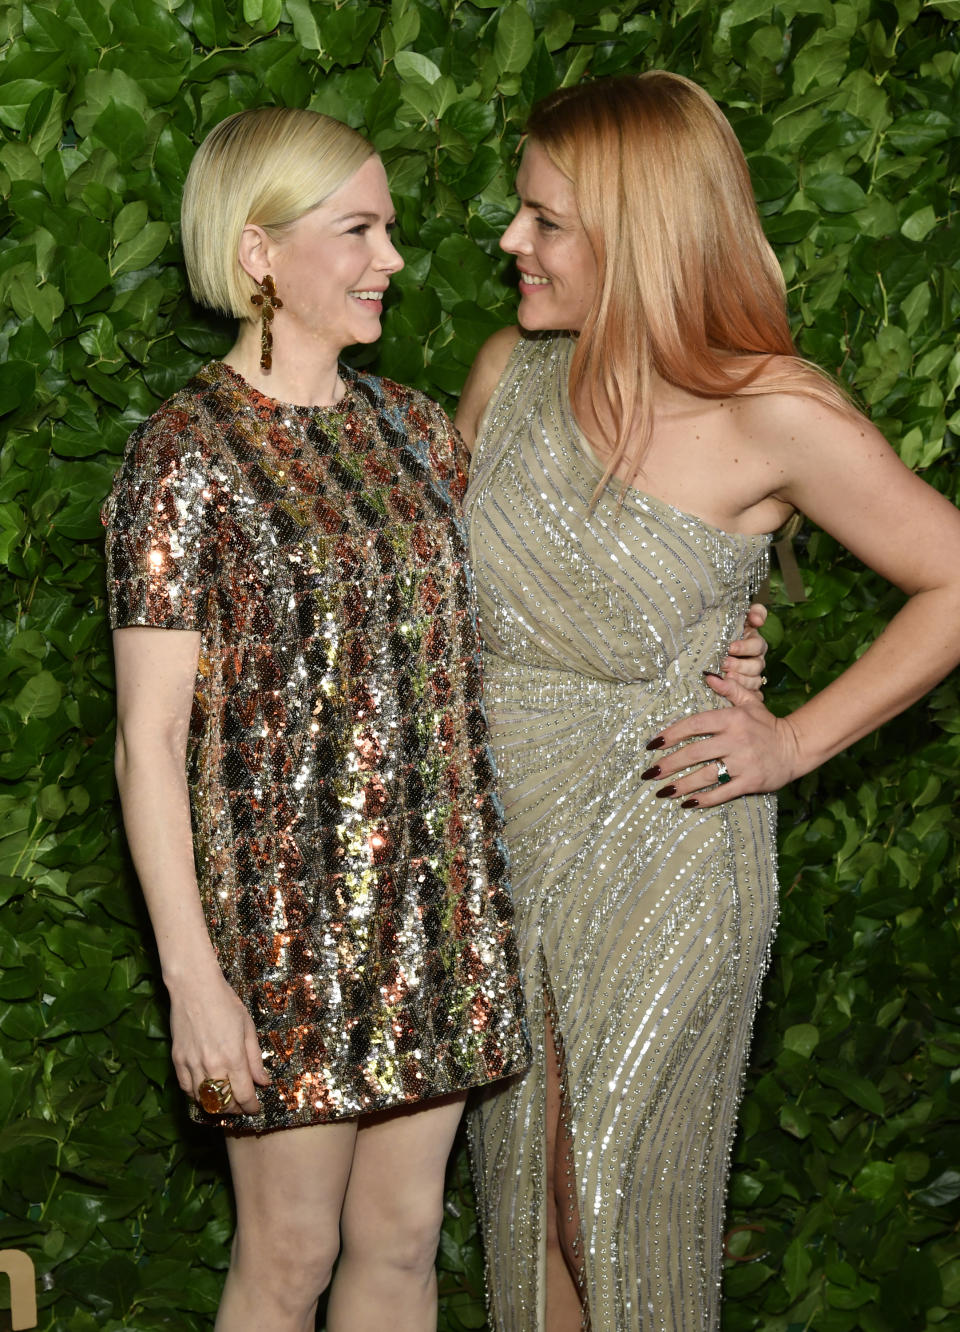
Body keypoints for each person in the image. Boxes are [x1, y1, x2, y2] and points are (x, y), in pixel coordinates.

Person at [455, 71, 960, 1332]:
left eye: (545, 221)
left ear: (644, 231)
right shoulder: (510, 371)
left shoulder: (772, 411)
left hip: (667, 841)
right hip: (499, 839)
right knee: (527, 1219)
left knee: (610, 1213)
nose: (512, 241)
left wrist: (788, 739)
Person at [101, 107, 534, 1332]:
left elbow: (531, 617)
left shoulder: (414, 433)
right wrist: (193, 978)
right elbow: (149, 743)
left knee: (400, 1249)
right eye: (358, 229)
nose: (392, 256)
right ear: (258, 254)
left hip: (438, 909)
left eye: (388, 227)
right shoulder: (182, 459)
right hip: (281, 933)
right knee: (288, 1254)